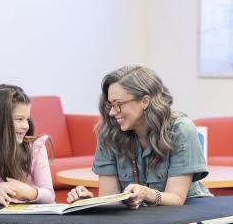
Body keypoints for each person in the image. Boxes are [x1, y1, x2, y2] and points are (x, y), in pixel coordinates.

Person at [67, 65, 212, 209]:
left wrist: (146, 194)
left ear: (145, 101)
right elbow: (111, 199)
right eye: (110, 105)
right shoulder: (109, 133)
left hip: (187, 214)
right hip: (138, 219)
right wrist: (88, 202)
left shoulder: (181, 129)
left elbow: (177, 198)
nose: (112, 112)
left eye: (118, 104)